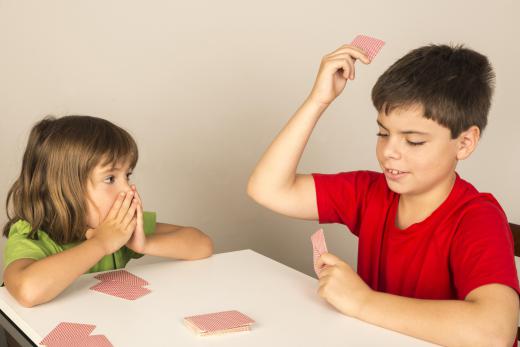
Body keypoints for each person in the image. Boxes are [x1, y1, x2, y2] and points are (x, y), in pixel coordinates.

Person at [247, 43, 520, 346]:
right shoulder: (370, 192)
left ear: (465, 143)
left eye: (413, 141)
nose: (389, 152)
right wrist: (318, 100)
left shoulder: (478, 219)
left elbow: (494, 333)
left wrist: (362, 301)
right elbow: (268, 189)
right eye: (383, 133)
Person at [3, 115, 213, 307]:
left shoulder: (117, 229)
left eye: (127, 176)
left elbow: (201, 245)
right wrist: (101, 244)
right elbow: (27, 291)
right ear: (65, 187)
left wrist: (144, 243)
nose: (126, 188)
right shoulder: (31, 234)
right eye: (110, 178)